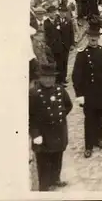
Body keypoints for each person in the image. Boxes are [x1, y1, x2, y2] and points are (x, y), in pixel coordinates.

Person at [72, 20, 102, 158]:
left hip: (101, 91)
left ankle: (98, 139)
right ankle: (88, 145)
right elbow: (76, 76)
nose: (94, 38)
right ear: (88, 37)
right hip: (89, 93)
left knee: (100, 117)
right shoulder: (82, 54)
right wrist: (79, 94)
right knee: (89, 119)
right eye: (91, 36)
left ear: (99, 37)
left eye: (96, 36)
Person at [29, 63, 73, 191]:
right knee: (43, 161)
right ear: (40, 78)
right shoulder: (34, 94)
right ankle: (44, 186)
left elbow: (68, 105)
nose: (48, 80)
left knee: (57, 157)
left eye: (51, 77)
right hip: (43, 135)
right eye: (45, 77)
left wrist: (59, 118)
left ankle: (55, 179)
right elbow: (29, 117)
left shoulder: (60, 90)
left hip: (58, 131)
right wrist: (35, 134)